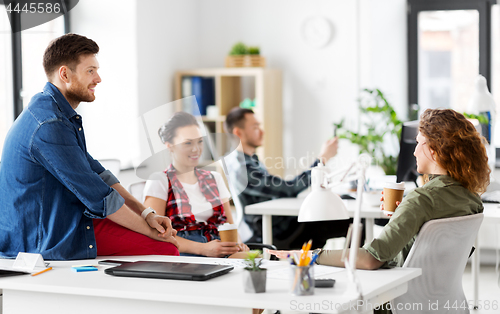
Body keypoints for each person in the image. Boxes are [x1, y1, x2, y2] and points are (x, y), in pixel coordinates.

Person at [0, 34, 178, 260]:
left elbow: (99, 175)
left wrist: (146, 213)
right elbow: (99, 198)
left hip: (65, 220)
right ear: (65, 74)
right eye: (90, 71)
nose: (98, 78)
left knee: (158, 243)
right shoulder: (49, 125)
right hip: (44, 238)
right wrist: (155, 234)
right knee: (166, 250)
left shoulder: (56, 113)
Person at [270, 109, 489, 276]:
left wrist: (311, 255)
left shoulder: (421, 200)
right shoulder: (471, 199)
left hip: (395, 296)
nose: (413, 151)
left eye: (418, 143)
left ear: (434, 151)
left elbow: (370, 259)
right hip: (437, 298)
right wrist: (405, 214)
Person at [224, 107, 357, 250]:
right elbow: (289, 189)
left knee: (346, 217)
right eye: (256, 127)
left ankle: (350, 262)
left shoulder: (248, 160)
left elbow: (282, 190)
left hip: (283, 224)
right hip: (280, 231)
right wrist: (322, 159)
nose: (262, 131)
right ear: (238, 133)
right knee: (354, 222)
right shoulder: (242, 168)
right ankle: (354, 264)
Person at [143, 111, 249, 257]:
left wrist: (239, 244)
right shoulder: (160, 180)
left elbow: (230, 225)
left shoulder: (215, 178)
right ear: (169, 146)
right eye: (188, 143)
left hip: (220, 250)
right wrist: (203, 249)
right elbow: (155, 233)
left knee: (255, 263)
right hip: (184, 253)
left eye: (199, 141)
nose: (196, 149)